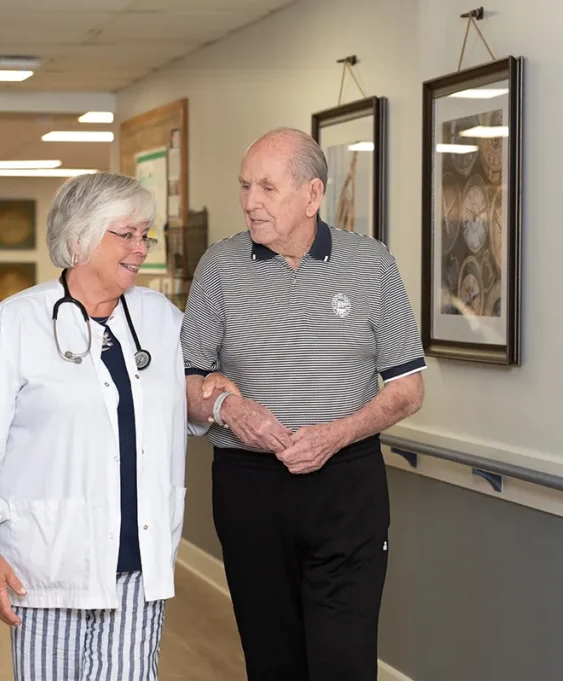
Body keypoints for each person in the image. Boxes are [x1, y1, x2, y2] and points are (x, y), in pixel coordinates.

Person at [0, 171, 231, 680]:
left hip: (139, 565)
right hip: (48, 567)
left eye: (145, 235)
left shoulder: (160, 319)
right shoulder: (15, 324)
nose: (140, 248)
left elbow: (186, 408)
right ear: (79, 239)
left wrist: (212, 392)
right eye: (127, 234)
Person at [181, 127, 426, 681]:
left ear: (312, 195)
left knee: (345, 661)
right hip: (249, 488)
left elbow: (408, 390)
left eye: (267, 188)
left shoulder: (371, 264)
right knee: (273, 662)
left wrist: (335, 434)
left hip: (346, 485)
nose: (250, 202)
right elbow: (186, 384)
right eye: (245, 186)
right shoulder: (219, 267)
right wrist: (227, 411)